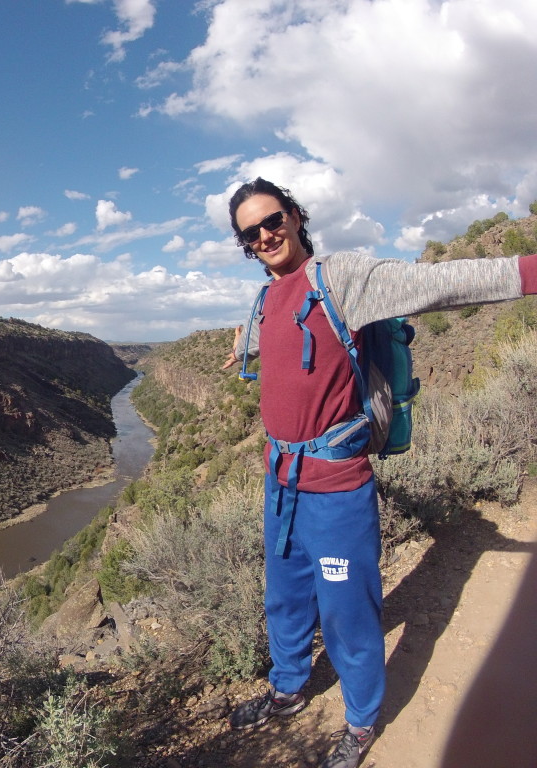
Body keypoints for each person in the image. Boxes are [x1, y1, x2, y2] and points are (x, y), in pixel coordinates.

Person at [220, 177, 537, 768]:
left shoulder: (343, 279)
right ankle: (287, 688)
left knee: (347, 612)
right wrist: (245, 347)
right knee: (285, 598)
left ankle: (361, 722)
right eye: (251, 233)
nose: (265, 235)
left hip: (337, 488)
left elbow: (442, 284)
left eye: (272, 220)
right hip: (281, 484)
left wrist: (528, 272)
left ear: (294, 215)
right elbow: (281, 346)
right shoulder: (265, 297)